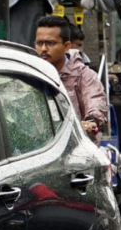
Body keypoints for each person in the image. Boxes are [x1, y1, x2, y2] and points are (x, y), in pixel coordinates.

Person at [35, 15, 108, 143]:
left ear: (67, 46)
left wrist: (91, 121)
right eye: (39, 43)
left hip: (78, 149)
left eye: (50, 43)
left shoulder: (85, 75)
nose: (43, 49)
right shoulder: (31, 74)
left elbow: (95, 100)